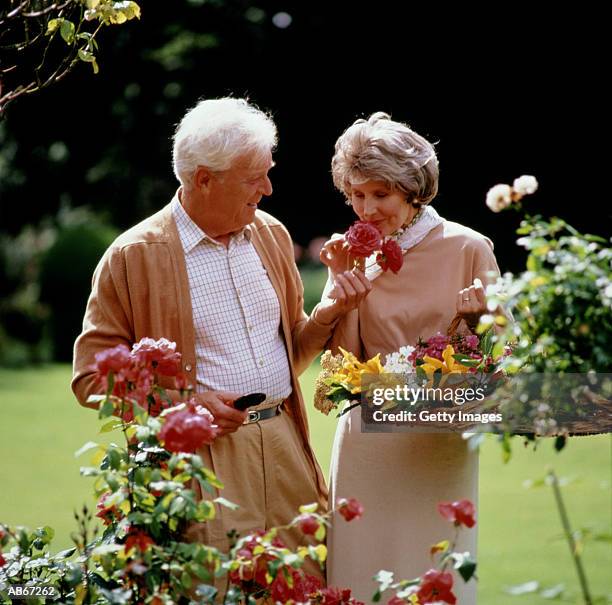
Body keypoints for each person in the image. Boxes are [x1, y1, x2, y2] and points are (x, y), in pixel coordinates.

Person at [72, 97, 372, 588]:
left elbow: (290, 352)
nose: (268, 189)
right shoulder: (133, 256)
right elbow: (90, 378)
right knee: (215, 588)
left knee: (306, 584)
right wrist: (184, 405)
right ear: (203, 179)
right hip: (204, 458)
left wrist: (328, 313)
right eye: (254, 177)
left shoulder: (271, 235)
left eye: (268, 173)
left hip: (284, 440)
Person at [319, 112, 501, 603]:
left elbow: (502, 364)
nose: (366, 209)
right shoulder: (356, 254)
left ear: (414, 187)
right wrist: (342, 293)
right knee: (356, 579)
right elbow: (342, 365)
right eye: (356, 194)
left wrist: (483, 322)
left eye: (381, 194)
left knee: (432, 576)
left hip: (435, 448)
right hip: (365, 447)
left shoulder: (469, 247)